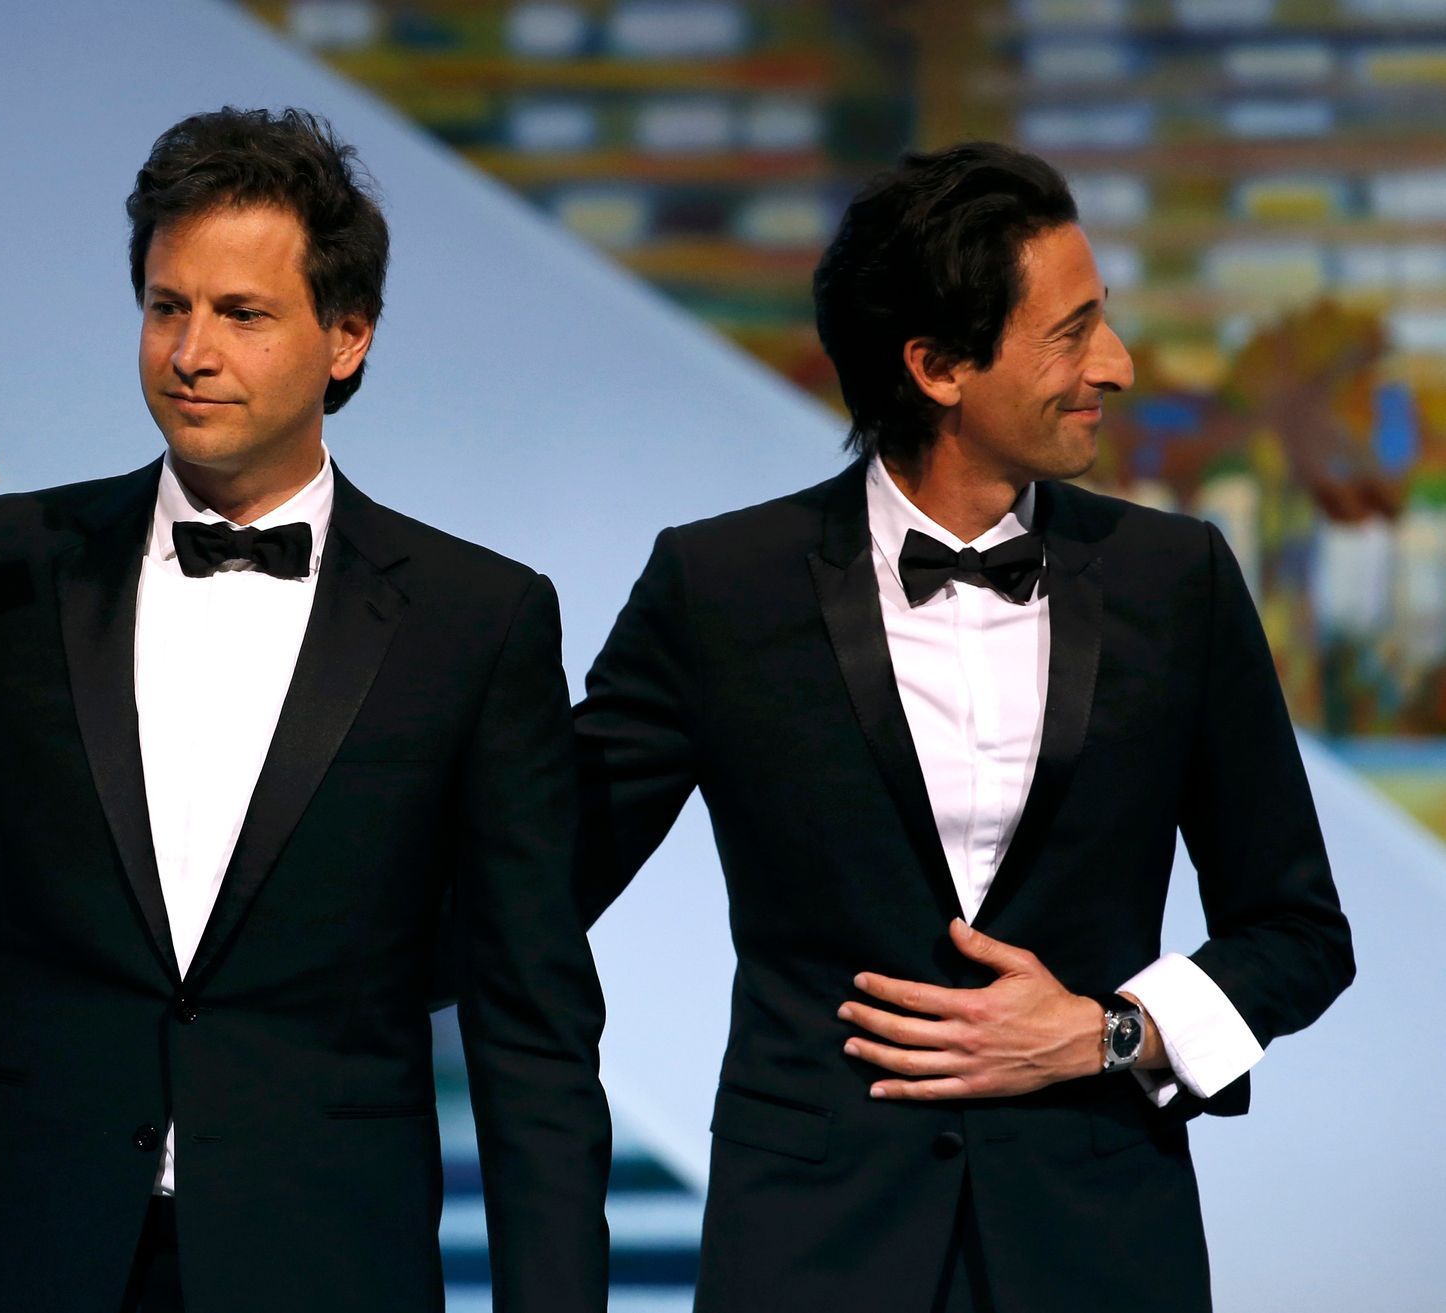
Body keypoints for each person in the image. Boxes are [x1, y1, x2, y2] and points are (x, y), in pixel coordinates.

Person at [0, 107, 610, 1313]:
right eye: (166, 305)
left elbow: (533, 1032)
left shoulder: (478, 618)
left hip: (324, 1261)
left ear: (347, 337)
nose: (191, 350)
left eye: (242, 314)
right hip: (11, 1253)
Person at [574, 142, 1354, 1311]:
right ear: (938, 366)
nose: (1120, 364)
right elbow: (532, 876)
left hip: (1097, 1250)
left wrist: (1112, 1032)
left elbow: (1298, 928)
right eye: (1072, 331)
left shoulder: (1175, 578)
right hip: (812, 1252)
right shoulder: (721, 586)